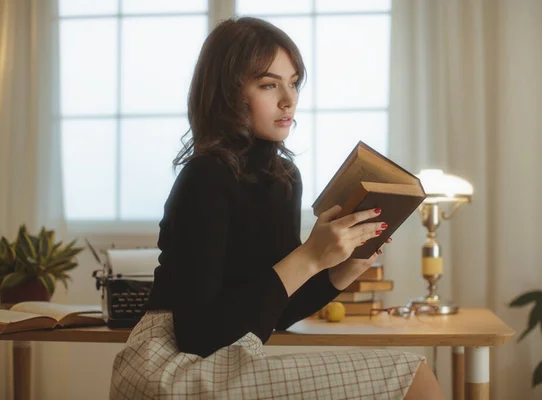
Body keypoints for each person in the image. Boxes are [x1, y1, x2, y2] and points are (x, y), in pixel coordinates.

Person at [110, 17, 444, 400]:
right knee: (412, 374)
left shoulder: (284, 178)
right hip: (167, 366)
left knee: (412, 373)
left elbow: (272, 313)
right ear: (228, 93)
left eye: (294, 82)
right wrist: (310, 256)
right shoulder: (205, 176)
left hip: (226, 357)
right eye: (269, 84)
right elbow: (197, 334)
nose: (289, 99)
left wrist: (339, 270)